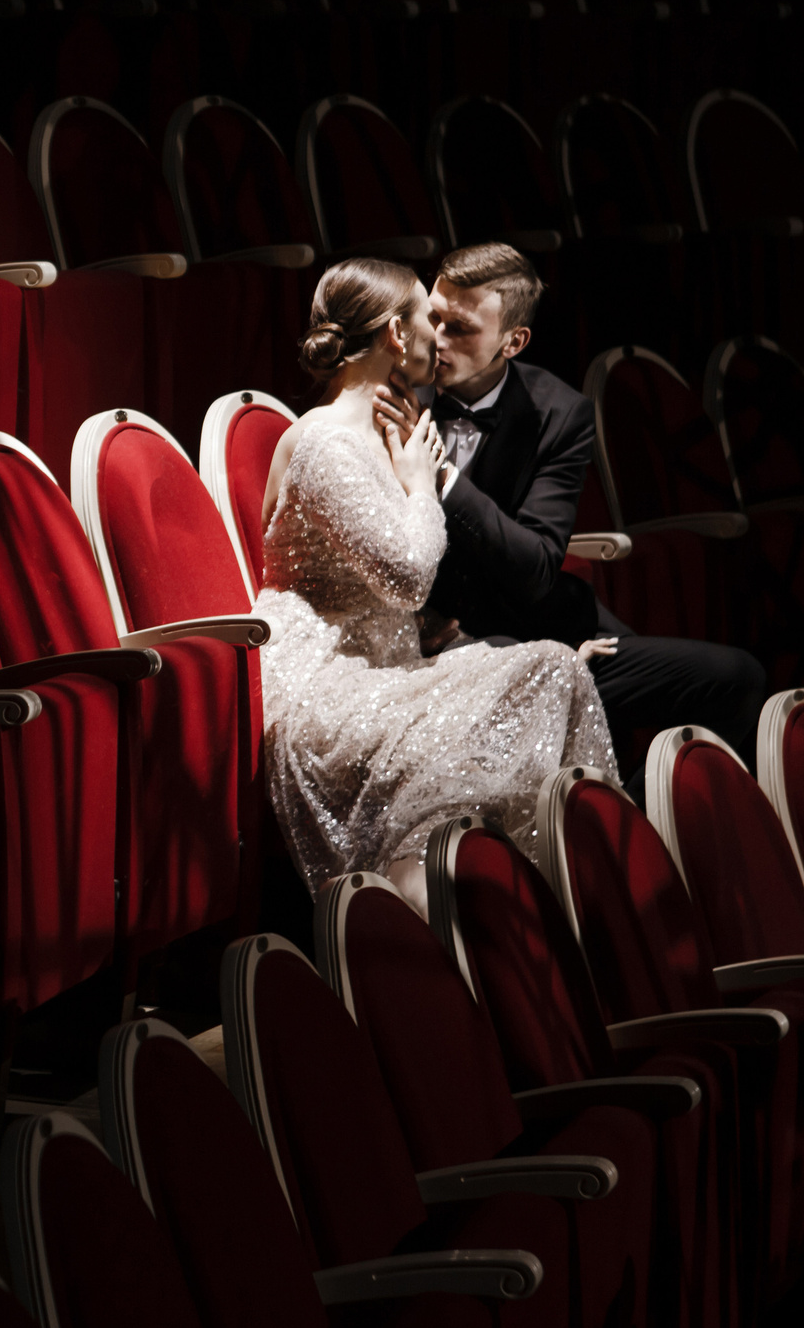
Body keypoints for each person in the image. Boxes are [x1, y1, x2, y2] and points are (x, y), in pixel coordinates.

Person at [250, 256, 617, 913]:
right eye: (430, 318)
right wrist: (424, 484)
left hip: (386, 665)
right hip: (325, 685)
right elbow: (411, 577)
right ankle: (417, 909)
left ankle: (531, 916)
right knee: (547, 671)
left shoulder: (380, 430)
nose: (438, 336)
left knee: (555, 672)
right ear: (396, 333)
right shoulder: (329, 442)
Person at [375, 243, 768, 772]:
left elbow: (536, 567)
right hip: (457, 645)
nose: (437, 340)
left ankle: (637, 813)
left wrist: (443, 476)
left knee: (736, 679)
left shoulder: (560, 412)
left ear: (513, 342)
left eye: (461, 329)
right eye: (434, 318)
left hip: (550, 622)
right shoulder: (390, 388)